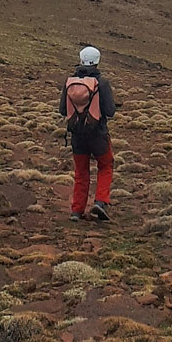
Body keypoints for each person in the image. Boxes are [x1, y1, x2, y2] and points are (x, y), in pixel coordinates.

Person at [59, 42, 116, 221]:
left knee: (81, 172)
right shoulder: (102, 83)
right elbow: (110, 111)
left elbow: (62, 110)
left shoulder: (70, 82)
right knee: (106, 165)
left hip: (77, 135)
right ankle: (100, 202)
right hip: (98, 134)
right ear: (97, 61)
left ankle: (77, 211)